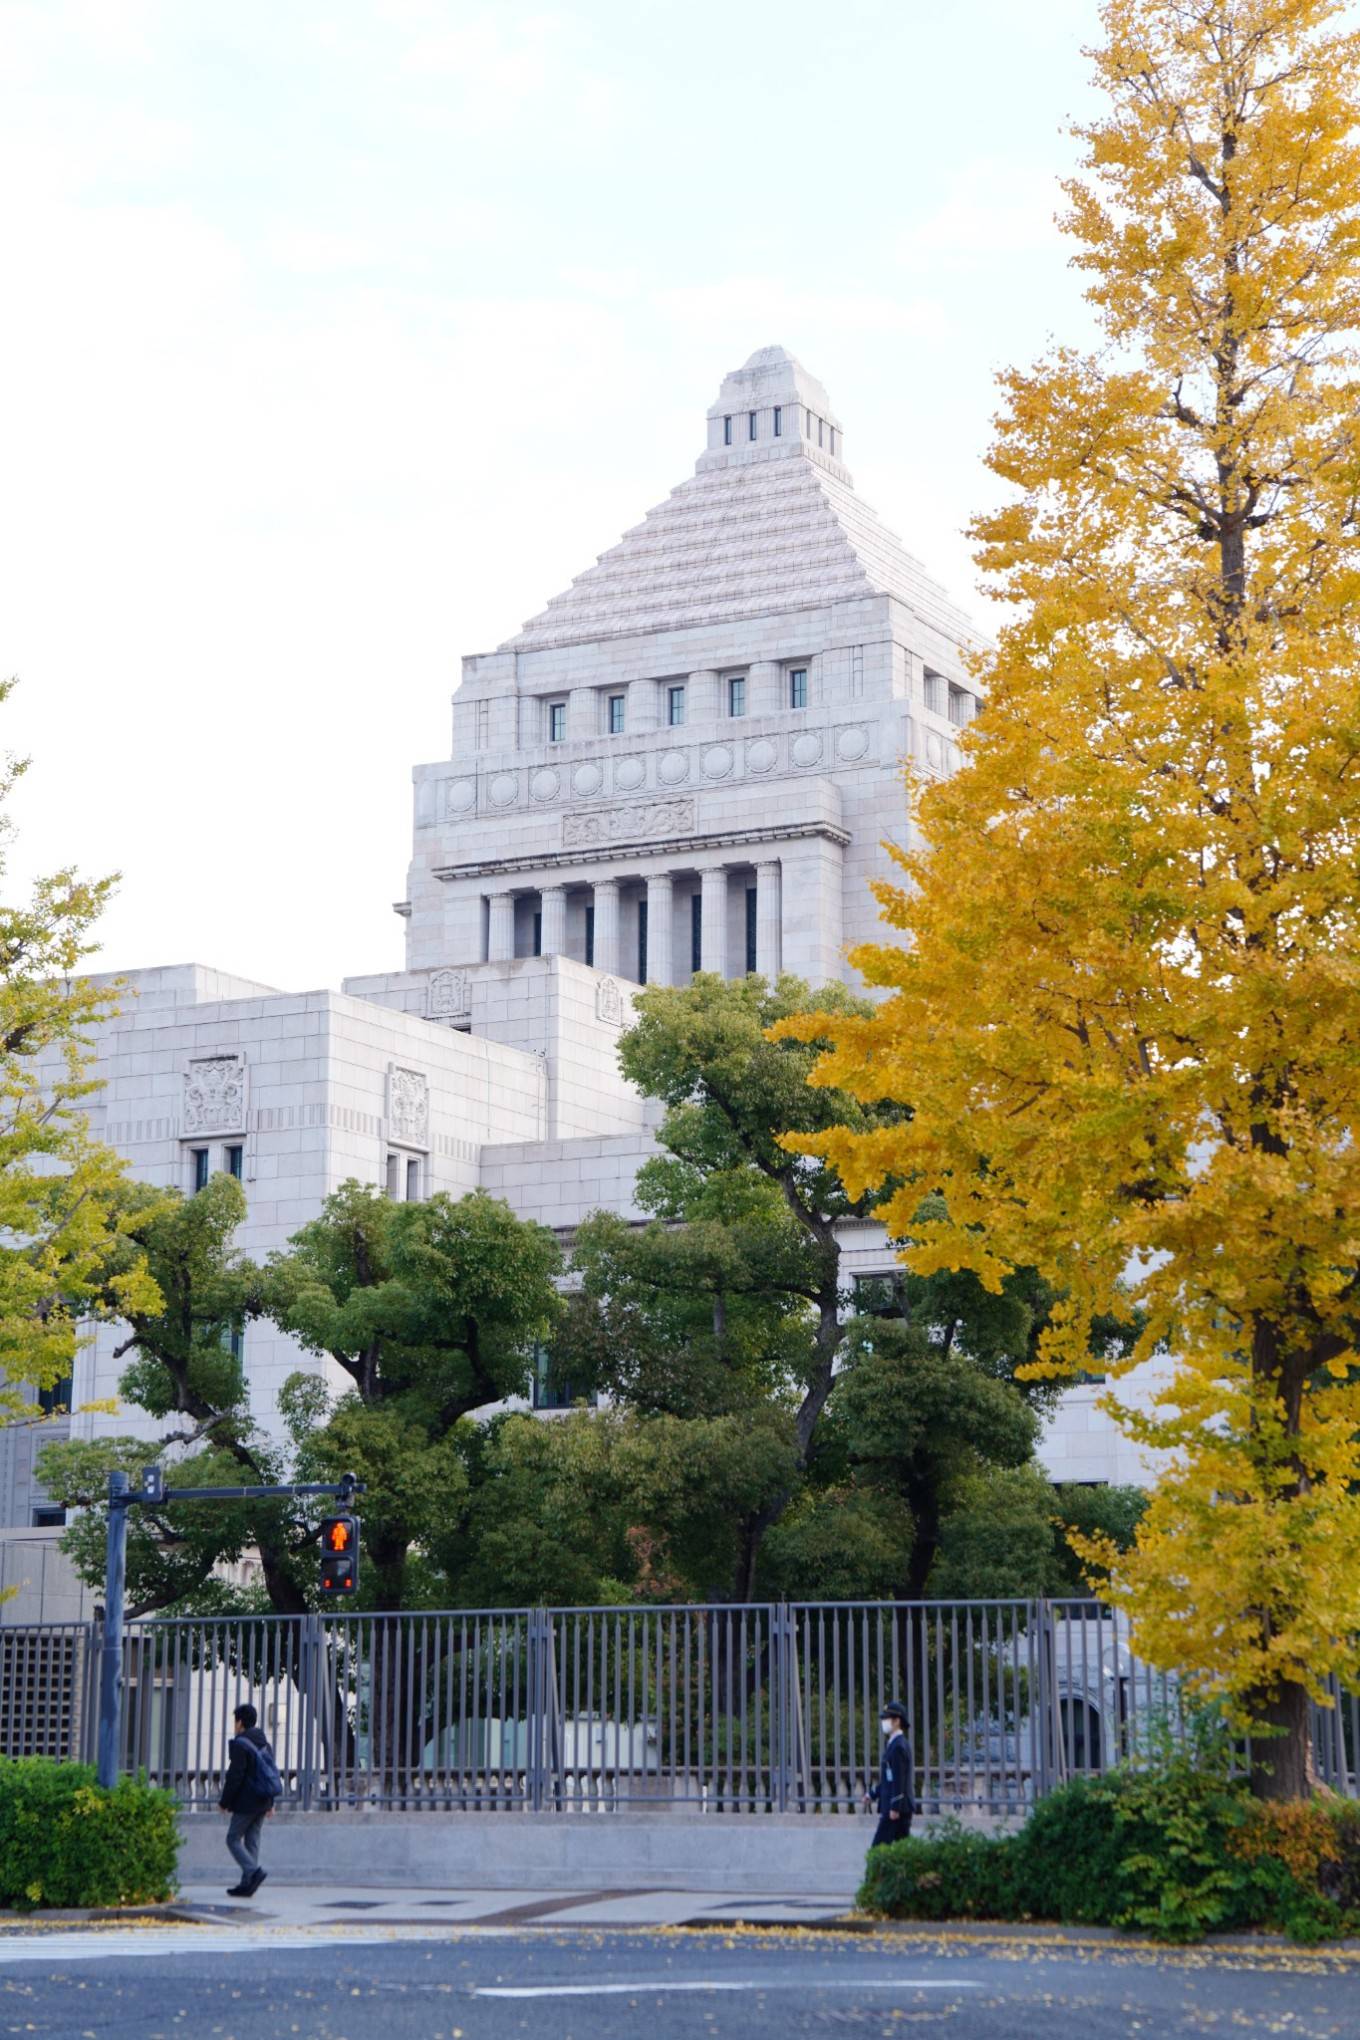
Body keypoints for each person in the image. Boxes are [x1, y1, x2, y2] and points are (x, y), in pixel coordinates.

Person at [219, 1702, 280, 1897]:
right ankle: (247, 1884)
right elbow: (270, 1772)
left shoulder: (241, 1744)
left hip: (247, 1801)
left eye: (235, 1721)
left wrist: (224, 1802)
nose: (234, 1725)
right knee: (252, 1841)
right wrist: (270, 1803)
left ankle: (253, 1873)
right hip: (262, 1801)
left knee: (232, 1839)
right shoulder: (263, 1742)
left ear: (240, 1722)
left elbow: (235, 1776)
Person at [866, 1699, 914, 1851]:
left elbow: (899, 1779)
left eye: (887, 1718)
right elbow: (889, 1779)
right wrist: (872, 1794)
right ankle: (905, 1875)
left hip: (896, 1810)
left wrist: (895, 1807)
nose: (884, 1722)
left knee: (877, 1850)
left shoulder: (898, 1746)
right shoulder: (893, 1744)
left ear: (897, 1721)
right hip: (896, 1808)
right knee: (902, 1853)